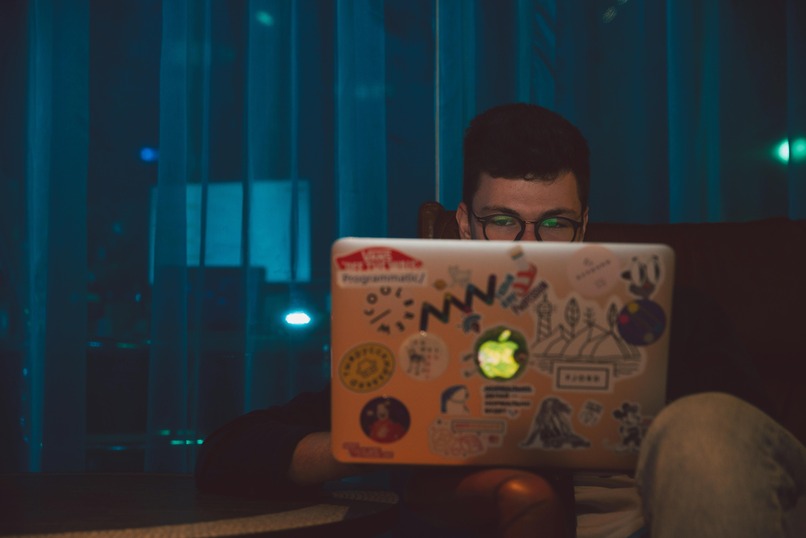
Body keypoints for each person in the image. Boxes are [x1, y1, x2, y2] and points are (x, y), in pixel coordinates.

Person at [195, 103, 806, 537]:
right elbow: (228, 451)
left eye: (555, 224)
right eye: (504, 221)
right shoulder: (427, 331)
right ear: (465, 223)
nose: (530, 244)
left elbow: (755, 457)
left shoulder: (678, 313)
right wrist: (370, 442)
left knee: (702, 428)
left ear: (584, 225)